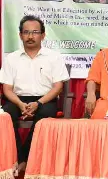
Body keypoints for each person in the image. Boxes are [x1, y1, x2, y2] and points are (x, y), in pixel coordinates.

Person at [0, 15, 69, 171]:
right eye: (26, 32)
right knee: (6, 115)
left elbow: (58, 87)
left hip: (45, 100)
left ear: (43, 35)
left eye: (35, 32)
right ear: (20, 35)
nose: (30, 36)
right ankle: (20, 158)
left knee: (45, 116)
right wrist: (19, 103)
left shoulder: (54, 57)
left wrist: (38, 103)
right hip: (17, 99)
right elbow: (7, 89)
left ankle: (22, 158)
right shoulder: (11, 58)